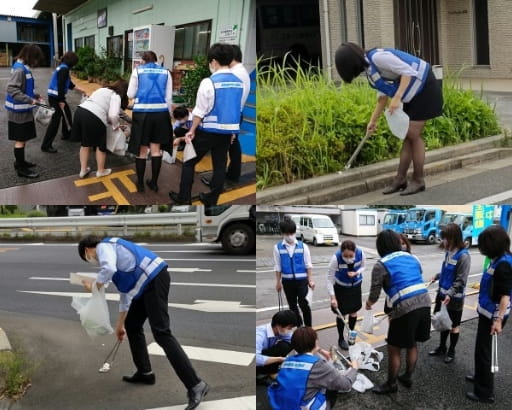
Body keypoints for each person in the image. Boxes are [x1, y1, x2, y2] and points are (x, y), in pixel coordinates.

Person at [77, 235, 208, 410]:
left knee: (162, 333)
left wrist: (94, 286)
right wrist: (120, 324)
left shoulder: (104, 247)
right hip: (146, 286)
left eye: (88, 258)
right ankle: (145, 372)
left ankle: (195, 384)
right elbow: (125, 295)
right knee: (132, 325)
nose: (92, 260)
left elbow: (107, 269)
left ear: (87, 250)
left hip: (154, 279)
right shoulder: (116, 262)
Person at [334, 42, 443, 195]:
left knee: (413, 134)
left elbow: (408, 71)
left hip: (425, 86)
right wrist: (372, 121)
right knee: (408, 135)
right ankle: (400, 179)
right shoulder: (369, 69)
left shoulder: (378, 57)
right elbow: (382, 97)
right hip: (412, 92)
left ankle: (418, 179)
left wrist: (397, 97)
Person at [169, 43, 243, 206]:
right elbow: (236, 108)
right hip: (226, 133)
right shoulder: (238, 82)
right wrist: (233, 133)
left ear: (214, 61)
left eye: (210, 62)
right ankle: (212, 199)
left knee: (189, 162)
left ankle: (184, 197)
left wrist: (192, 130)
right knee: (219, 166)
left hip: (207, 131)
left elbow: (200, 111)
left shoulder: (209, 82)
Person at [366, 230, 431, 394]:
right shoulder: (411, 257)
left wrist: (369, 304)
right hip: (425, 303)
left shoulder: (381, 264)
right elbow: (417, 275)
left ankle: (391, 384)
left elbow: (375, 293)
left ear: (380, 246)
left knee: (394, 348)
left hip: (405, 308)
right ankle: (407, 376)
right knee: (412, 343)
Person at [466, 225, 512, 403]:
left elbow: (505, 297)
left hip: (493, 316)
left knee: (485, 353)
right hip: (487, 313)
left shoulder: (504, 265)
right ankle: (480, 377)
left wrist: (498, 320)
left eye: (484, 245)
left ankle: (485, 393)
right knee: (480, 350)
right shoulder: (500, 259)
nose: (482, 249)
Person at [267, 327, 358, 410]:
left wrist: (320, 350)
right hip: (300, 406)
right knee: (332, 386)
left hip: (280, 404)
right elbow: (346, 385)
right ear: (315, 342)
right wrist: (354, 368)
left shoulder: (288, 360)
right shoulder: (317, 365)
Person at [201, 44, 250, 188]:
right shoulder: (240, 71)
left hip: (229, 116)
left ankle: (220, 181)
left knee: (222, 151)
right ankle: (231, 175)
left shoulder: (236, 74)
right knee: (232, 147)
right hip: (234, 114)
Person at [127, 50, 173, 193]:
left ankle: (140, 184)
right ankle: (154, 183)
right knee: (156, 150)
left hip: (142, 114)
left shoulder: (137, 71)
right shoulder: (166, 73)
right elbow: (169, 98)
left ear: (143, 61)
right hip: (161, 114)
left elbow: (130, 94)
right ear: (155, 61)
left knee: (141, 150)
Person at [429, 223, 470, 363]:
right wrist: (437, 276)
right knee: (442, 321)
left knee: (453, 325)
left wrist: (450, 293)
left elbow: (461, 280)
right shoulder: (448, 252)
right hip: (442, 294)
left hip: (454, 298)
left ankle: (451, 351)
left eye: (446, 238)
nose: (443, 241)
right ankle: (442, 347)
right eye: (443, 238)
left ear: (454, 238)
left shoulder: (463, 256)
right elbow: (447, 271)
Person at [72, 80, 129, 178]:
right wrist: (116, 126)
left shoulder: (103, 89)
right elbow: (113, 115)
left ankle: (83, 170)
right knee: (100, 146)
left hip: (80, 112)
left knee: (85, 144)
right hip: (94, 116)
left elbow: (105, 108)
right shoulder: (116, 95)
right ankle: (100, 171)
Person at [4, 44, 45, 178]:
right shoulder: (20, 70)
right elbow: (12, 89)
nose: (36, 62)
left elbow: (23, 88)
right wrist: (30, 100)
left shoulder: (21, 67)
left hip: (22, 110)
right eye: (36, 59)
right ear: (30, 56)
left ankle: (20, 162)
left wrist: (35, 96)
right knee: (20, 140)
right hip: (18, 112)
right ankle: (21, 169)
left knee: (23, 139)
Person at [274, 219, 315, 327]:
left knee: (304, 304)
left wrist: (310, 280)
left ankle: (308, 327)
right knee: (292, 306)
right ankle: (299, 326)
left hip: (302, 281)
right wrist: (278, 282)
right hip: (287, 281)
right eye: (287, 233)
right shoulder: (277, 247)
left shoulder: (303, 246)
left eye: (292, 233)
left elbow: (308, 265)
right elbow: (278, 266)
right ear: (283, 233)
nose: (290, 236)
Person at [41, 51, 84, 153]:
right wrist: (61, 100)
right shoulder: (64, 69)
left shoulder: (63, 67)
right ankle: (46, 145)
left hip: (55, 96)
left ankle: (66, 134)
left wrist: (78, 89)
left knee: (67, 114)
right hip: (56, 97)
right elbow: (61, 85)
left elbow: (67, 82)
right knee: (55, 121)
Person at [327, 240, 366, 350]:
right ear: (341, 252)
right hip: (341, 288)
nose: (348, 258)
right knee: (341, 314)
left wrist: (356, 273)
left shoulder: (361, 253)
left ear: (355, 251)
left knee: (353, 311)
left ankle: (351, 336)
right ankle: (340, 338)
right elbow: (329, 279)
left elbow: (364, 266)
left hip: (356, 286)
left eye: (351, 255)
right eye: (345, 255)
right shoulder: (336, 258)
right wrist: (333, 297)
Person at [256, 310, 298, 382]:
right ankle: (266, 372)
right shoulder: (259, 335)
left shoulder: (278, 330)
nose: (290, 330)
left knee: (288, 344)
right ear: (278, 325)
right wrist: (280, 359)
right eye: (289, 328)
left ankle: (270, 370)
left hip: (263, 355)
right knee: (283, 347)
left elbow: (294, 340)